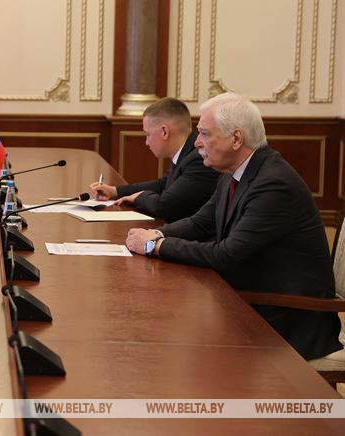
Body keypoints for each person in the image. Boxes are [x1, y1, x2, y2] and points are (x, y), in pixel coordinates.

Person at [125, 92, 341, 360]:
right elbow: (200, 223)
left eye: (205, 134)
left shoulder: (274, 184)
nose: (197, 142)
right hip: (250, 299)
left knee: (173, 343)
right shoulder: (234, 172)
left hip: (286, 320)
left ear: (236, 138)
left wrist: (155, 246)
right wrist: (155, 234)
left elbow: (226, 255)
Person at [90, 97, 219, 222]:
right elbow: (162, 185)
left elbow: (164, 206)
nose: (146, 142)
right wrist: (115, 191)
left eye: (148, 134)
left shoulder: (199, 159)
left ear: (164, 132)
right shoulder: (186, 151)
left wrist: (140, 197)